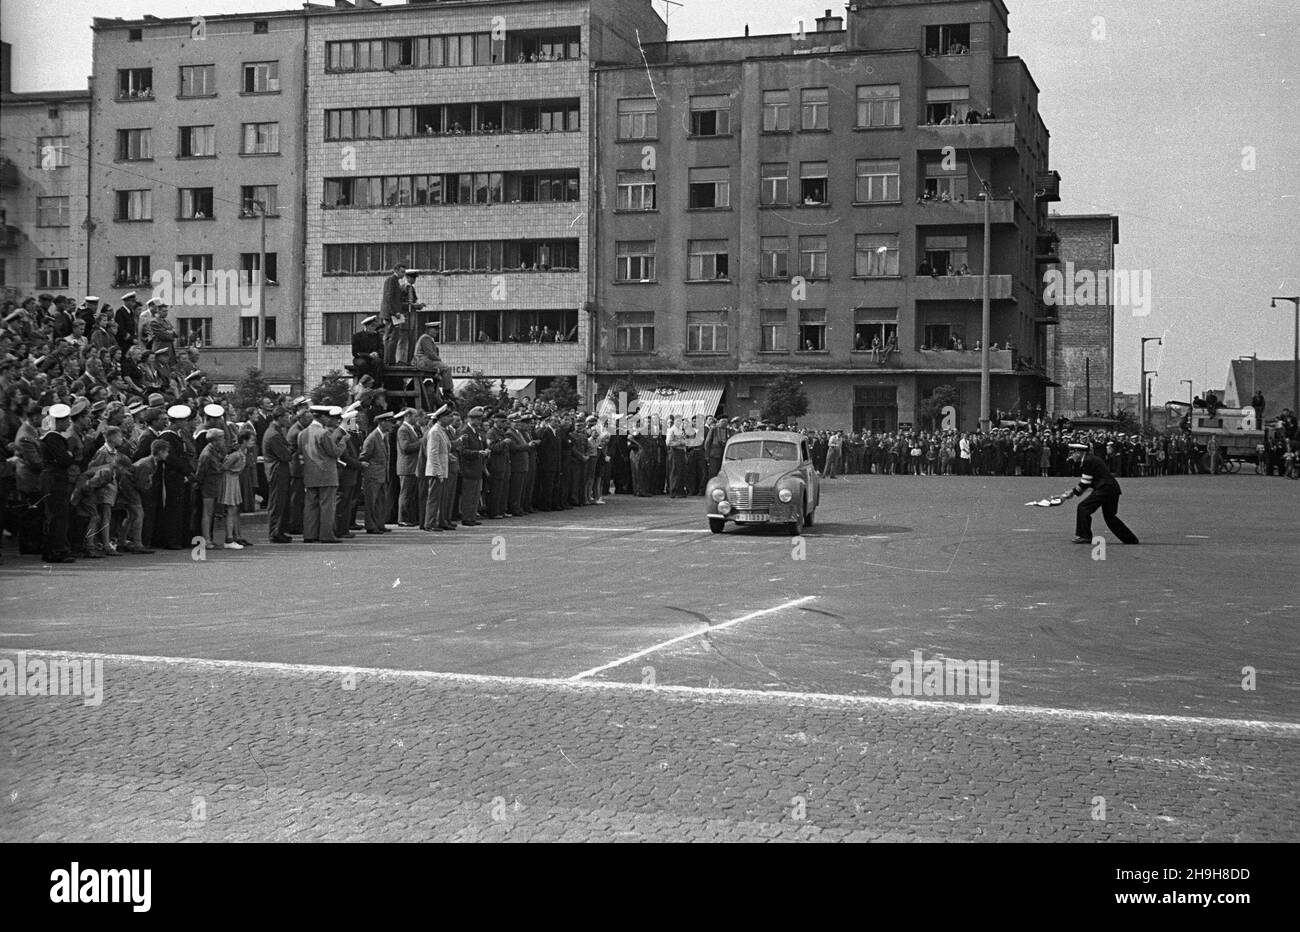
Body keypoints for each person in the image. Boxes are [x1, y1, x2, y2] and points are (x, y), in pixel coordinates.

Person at [1057, 442, 1139, 545]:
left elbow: (1085, 482)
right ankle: (1131, 539)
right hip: (1111, 489)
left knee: (1083, 508)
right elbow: (1087, 482)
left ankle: (1084, 536)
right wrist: (1072, 492)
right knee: (1110, 517)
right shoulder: (1089, 459)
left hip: (1104, 489)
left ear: (1078, 452)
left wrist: (1071, 493)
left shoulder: (1088, 461)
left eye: (1072, 454)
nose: (1071, 457)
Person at [39, 403, 77, 563]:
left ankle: (52, 549)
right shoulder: (54, 438)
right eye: (67, 420)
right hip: (55, 478)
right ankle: (57, 550)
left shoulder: (52, 437)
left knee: (55, 515)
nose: (69, 423)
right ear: (60, 421)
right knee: (58, 515)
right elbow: (65, 459)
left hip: (52, 477)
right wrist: (68, 454)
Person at [299, 406, 342, 543]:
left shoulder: (303, 433)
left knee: (311, 505)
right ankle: (326, 535)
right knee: (327, 506)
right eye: (327, 417)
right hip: (327, 474)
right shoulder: (323, 433)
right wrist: (342, 444)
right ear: (322, 417)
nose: (329, 419)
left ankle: (309, 534)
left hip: (310, 473)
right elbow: (334, 452)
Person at [262, 406, 294, 543]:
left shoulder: (276, 431)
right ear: (279, 418)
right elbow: (285, 455)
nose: (288, 420)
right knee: (277, 502)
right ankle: (274, 532)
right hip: (277, 471)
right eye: (286, 417)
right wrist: (290, 450)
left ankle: (279, 530)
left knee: (282, 502)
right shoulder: (273, 434)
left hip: (279, 471)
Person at [361, 412, 395, 533]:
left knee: (380, 501)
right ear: (382, 422)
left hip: (381, 475)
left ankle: (379, 524)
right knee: (371, 502)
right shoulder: (372, 438)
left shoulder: (383, 436)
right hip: (373, 475)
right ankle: (370, 526)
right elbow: (364, 457)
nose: (392, 425)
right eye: (390, 422)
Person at [422, 405, 454, 530]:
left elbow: (442, 450)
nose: (450, 419)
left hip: (442, 469)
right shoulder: (435, 431)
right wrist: (438, 472)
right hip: (436, 471)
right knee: (434, 498)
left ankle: (440, 521)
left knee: (441, 498)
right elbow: (432, 453)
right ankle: (430, 523)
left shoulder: (441, 430)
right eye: (448, 416)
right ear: (441, 417)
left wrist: (449, 456)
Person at [458, 406, 488, 525]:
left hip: (476, 467)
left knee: (475, 494)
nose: (480, 422)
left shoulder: (476, 432)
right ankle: (467, 517)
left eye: (480, 419)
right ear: (471, 419)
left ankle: (472, 516)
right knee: (469, 494)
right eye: (478, 419)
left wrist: (484, 452)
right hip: (469, 468)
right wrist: (478, 453)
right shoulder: (465, 432)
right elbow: (463, 451)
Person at [395, 408, 422, 526]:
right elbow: (405, 447)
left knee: (411, 494)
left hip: (413, 466)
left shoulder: (412, 429)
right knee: (405, 494)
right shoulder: (403, 430)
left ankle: (410, 517)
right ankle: (403, 518)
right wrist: (421, 441)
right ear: (408, 416)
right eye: (415, 416)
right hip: (407, 466)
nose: (416, 419)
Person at [380, 263, 408, 365]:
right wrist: (394, 312)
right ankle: (389, 361)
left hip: (392, 313)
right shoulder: (392, 280)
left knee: (392, 337)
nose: (403, 274)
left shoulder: (394, 281)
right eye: (402, 271)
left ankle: (389, 360)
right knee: (391, 337)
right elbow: (389, 297)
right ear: (396, 270)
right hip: (391, 314)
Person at [350, 316, 384, 383]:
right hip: (360, 358)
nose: (374, 328)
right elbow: (355, 353)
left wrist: (377, 353)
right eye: (372, 326)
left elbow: (381, 348)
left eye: (375, 326)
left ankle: (376, 385)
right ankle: (363, 384)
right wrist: (368, 355)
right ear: (367, 326)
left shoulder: (377, 336)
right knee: (362, 364)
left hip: (373, 358)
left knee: (378, 362)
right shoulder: (357, 336)